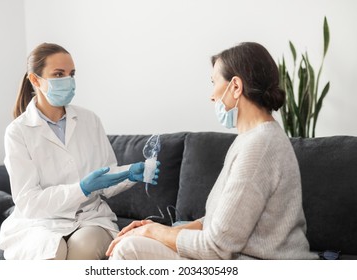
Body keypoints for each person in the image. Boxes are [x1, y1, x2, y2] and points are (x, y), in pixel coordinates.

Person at [106, 42, 318, 260]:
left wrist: (152, 231)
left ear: (235, 87)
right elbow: (216, 224)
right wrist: (162, 231)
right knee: (138, 241)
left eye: (214, 82)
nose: (212, 96)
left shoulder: (259, 147)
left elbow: (216, 247)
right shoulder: (251, 139)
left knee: (128, 249)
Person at [0, 43, 159, 260]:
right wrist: (80, 189)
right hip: (41, 222)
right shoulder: (18, 132)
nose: (68, 80)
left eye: (71, 74)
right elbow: (29, 202)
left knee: (83, 249)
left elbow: (105, 179)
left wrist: (130, 174)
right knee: (53, 251)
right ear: (35, 80)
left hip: (90, 217)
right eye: (58, 74)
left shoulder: (89, 120)